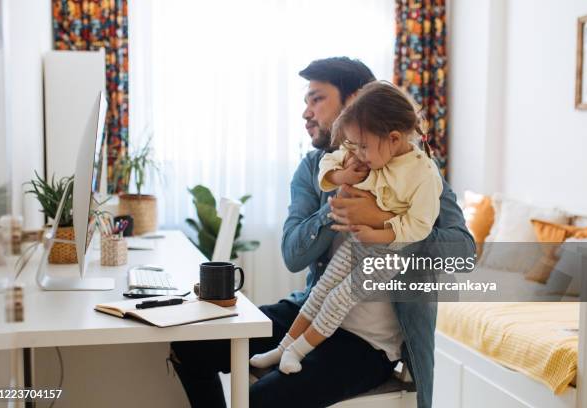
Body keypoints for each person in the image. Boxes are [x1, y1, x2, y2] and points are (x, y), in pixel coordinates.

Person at [169, 57, 475, 408]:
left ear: (356, 100)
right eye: (305, 102)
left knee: (257, 401)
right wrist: (336, 204)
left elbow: (464, 252)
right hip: (312, 310)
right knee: (192, 346)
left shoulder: (417, 170)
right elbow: (293, 256)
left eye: (317, 99)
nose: (305, 112)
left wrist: (381, 219)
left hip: (368, 343)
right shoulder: (316, 169)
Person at [250, 81, 443, 375]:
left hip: (388, 251)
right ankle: (282, 349)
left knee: (340, 297)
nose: (359, 153)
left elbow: (420, 226)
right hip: (359, 240)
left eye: (363, 147)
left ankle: (297, 352)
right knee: (322, 289)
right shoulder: (369, 147)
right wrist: (343, 175)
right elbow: (330, 160)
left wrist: (377, 228)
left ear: (393, 138)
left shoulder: (423, 173)